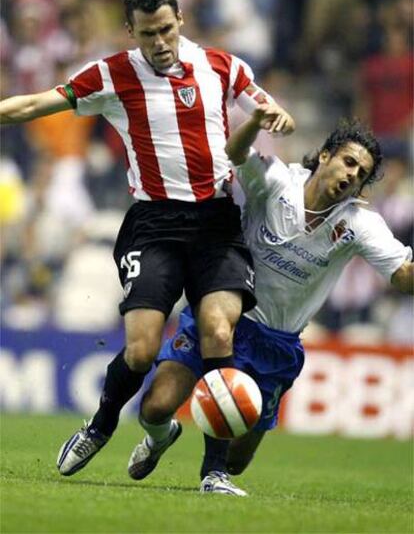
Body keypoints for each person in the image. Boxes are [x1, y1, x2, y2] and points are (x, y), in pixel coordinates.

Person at [0, 0, 295, 477]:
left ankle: (214, 473)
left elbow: (263, 105)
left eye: (165, 30)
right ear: (129, 32)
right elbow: (32, 104)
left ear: (180, 17)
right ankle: (101, 425)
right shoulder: (112, 74)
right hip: (154, 223)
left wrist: (278, 115)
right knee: (140, 350)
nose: (159, 43)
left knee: (218, 330)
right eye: (146, 34)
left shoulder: (223, 66)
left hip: (217, 221)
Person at [127, 106, 413, 496]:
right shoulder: (278, 180)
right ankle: (161, 438)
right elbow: (234, 153)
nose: (351, 175)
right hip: (223, 311)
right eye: (348, 162)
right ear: (325, 155)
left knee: (236, 461)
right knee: (155, 408)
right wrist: (255, 123)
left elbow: (402, 275)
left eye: (360, 174)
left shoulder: (360, 224)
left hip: (275, 344)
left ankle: (219, 471)